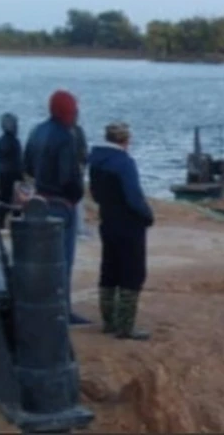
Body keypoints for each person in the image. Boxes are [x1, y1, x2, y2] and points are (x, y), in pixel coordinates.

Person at [23, 89, 88, 325]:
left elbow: (28, 166)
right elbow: (68, 177)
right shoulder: (64, 136)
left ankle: (42, 309)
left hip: (39, 200)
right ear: (68, 110)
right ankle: (62, 312)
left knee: (42, 261)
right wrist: (76, 195)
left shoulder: (37, 131)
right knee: (62, 261)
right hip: (61, 204)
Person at [88, 122, 153, 340]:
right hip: (129, 224)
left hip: (108, 220)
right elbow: (133, 196)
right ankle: (126, 326)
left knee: (109, 270)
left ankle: (109, 321)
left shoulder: (95, 161)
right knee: (132, 273)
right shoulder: (125, 163)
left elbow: (95, 194)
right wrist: (147, 215)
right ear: (125, 140)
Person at [0, 113, 23, 232]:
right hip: (14, 175)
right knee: (16, 202)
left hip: (2, 174)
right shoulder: (15, 142)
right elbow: (18, 161)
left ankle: (0, 225)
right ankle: (16, 224)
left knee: (3, 200)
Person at [73, 115, 89, 238]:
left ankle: (78, 227)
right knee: (78, 200)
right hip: (77, 168)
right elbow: (84, 150)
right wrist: (83, 165)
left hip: (70, 169)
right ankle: (80, 228)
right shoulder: (78, 131)